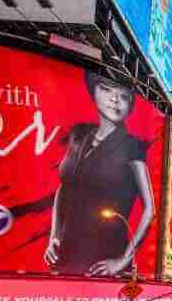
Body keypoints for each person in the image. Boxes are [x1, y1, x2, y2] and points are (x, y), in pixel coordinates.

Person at [43, 72, 157, 276]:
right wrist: (55, 235)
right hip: (66, 251)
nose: (115, 99)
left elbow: (150, 209)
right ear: (93, 92)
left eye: (124, 96)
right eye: (106, 89)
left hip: (104, 254)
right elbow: (65, 186)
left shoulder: (131, 146)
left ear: (131, 106)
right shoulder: (79, 135)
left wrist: (124, 259)